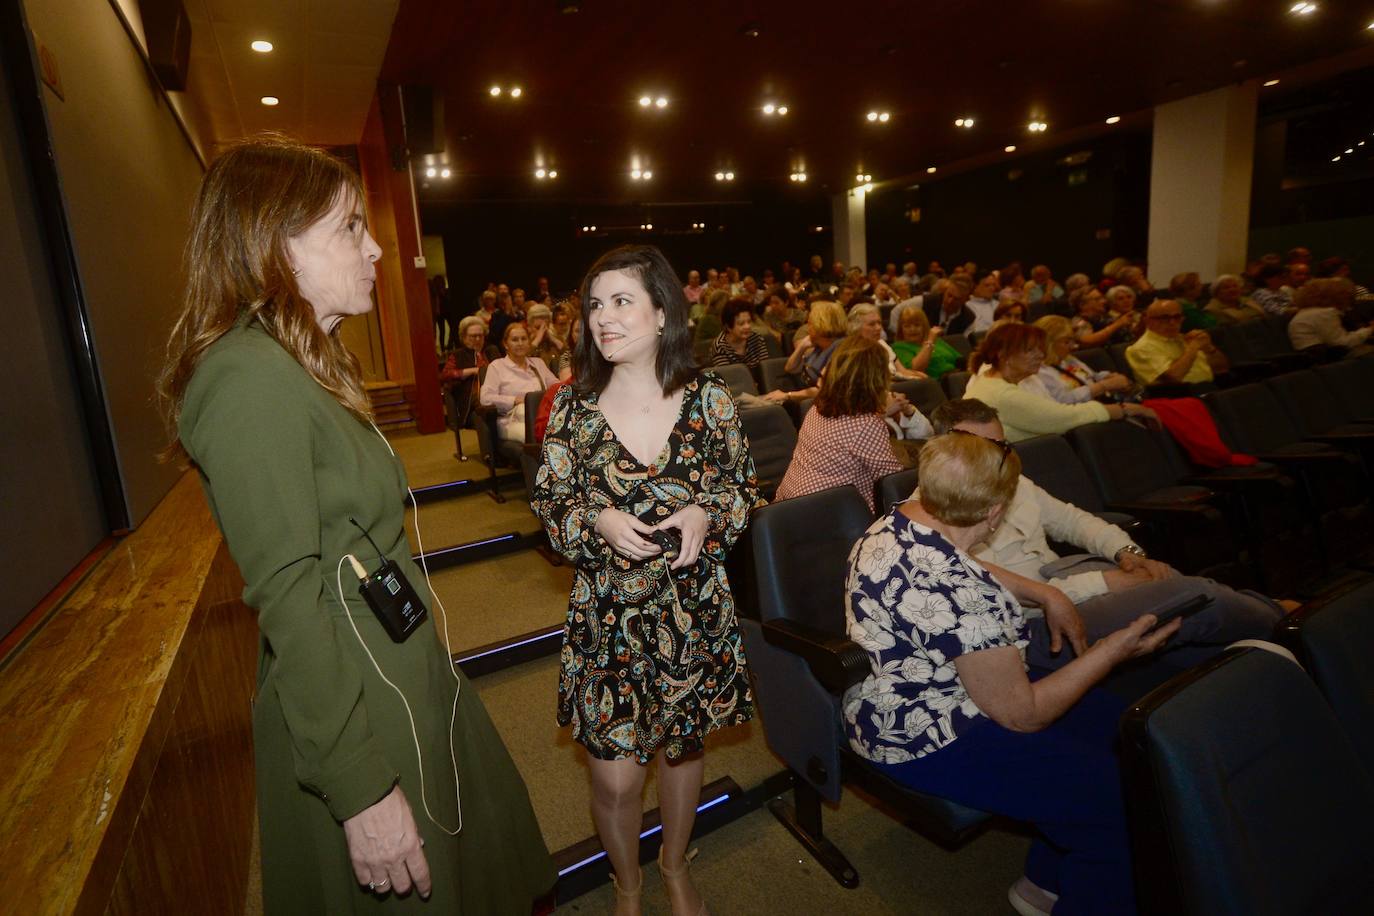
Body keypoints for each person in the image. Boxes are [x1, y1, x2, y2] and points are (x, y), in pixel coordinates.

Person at [158, 137, 553, 912]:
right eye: (348, 228)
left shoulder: (301, 362)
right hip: (354, 690)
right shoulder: (246, 380)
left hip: (391, 658)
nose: (375, 247)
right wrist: (360, 787)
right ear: (275, 244)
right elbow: (290, 600)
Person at [845, 431, 1180, 916]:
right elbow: (1024, 715)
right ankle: (1081, 878)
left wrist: (1048, 593)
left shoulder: (895, 520)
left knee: (1127, 728)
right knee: (1120, 804)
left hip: (893, 700)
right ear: (994, 512)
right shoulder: (969, 601)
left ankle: (1044, 883)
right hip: (927, 737)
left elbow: (957, 563)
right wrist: (1110, 653)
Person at [531, 245, 758, 916]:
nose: (604, 317)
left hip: (693, 615)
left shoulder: (711, 400)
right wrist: (595, 519)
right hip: (607, 621)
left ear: (664, 313)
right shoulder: (572, 408)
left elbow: (743, 490)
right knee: (615, 779)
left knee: (683, 760)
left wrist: (705, 511)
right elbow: (550, 504)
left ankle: (673, 864)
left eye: (622, 301)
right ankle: (626, 882)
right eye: (595, 304)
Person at [930, 399, 1289, 672]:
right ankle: (1285, 622)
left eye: (1001, 444)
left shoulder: (1010, 476)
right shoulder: (941, 509)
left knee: (1170, 582)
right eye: (983, 447)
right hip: (1038, 622)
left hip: (1066, 581)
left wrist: (1125, 552)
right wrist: (1104, 583)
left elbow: (1072, 521)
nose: (997, 456)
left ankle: (1258, 648)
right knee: (1196, 597)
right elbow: (1001, 599)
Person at [775, 337, 931, 507]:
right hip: (826, 518)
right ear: (877, 379)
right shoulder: (866, 425)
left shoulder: (816, 409)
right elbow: (892, 482)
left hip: (787, 507)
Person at [965, 323, 1152, 442]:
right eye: (1031, 350)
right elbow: (1062, 419)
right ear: (1003, 355)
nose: (1041, 355)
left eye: (1040, 349)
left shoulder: (992, 381)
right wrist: (1124, 409)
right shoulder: (1002, 394)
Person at [1027, 316, 1134, 404]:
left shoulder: (1067, 358)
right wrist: (1104, 386)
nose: (1073, 346)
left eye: (1072, 341)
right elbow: (1063, 400)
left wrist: (1108, 377)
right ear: (1048, 343)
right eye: (1066, 342)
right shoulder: (1039, 371)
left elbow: (1092, 376)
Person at [480, 322, 558, 442]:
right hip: (511, 420)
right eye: (515, 340)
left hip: (542, 414)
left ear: (528, 342)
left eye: (524, 339)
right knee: (538, 435)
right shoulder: (497, 366)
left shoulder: (537, 363)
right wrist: (515, 400)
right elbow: (485, 398)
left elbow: (556, 385)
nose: (520, 343)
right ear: (506, 344)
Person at [1125, 300, 1230, 388]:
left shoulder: (1186, 338)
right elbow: (1173, 379)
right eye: (1164, 318)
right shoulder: (1140, 348)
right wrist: (1193, 348)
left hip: (1212, 388)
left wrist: (1209, 348)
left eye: (1177, 317)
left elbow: (1222, 368)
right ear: (1148, 321)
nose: (1172, 322)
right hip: (1180, 398)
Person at [763, 299, 847, 405]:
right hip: (808, 399)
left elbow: (822, 391)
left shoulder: (841, 350)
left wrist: (787, 395)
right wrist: (802, 346)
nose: (807, 328)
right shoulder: (819, 346)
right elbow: (791, 369)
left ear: (819, 325)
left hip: (824, 404)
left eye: (809, 323)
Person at [440, 315, 502, 432]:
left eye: (480, 335)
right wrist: (472, 371)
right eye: (473, 336)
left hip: (497, 393)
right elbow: (445, 375)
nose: (478, 339)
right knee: (486, 412)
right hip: (471, 403)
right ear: (464, 337)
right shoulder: (458, 355)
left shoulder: (491, 351)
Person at [1287, 277, 1374, 355]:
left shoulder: (1308, 312)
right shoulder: (1324, 313)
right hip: (1324, 361)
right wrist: (1370, 329)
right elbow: (1343, 343)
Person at [891, 306, 962, 380]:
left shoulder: (936, 340)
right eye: (907, 326)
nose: (912, 329)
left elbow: (959, 359)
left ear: (924, 327)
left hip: (957, 375)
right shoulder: (899, 347)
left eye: (917, 325)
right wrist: (930, 342)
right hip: (937, 383)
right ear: (901, 329)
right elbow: (916, 369)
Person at [711, 297, 771, 367]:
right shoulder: (720, 346)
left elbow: (766, 369)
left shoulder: (757, 339)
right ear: (728, 327)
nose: (747, 326)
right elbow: (726, 375)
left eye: (749, 322)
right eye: (741, 323)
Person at [1069, 286, 1136, 347]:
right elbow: (1087, 341)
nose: (1104, 301)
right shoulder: (1080, 321)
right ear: (1082, 305)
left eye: (1102, 298)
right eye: (1097, 299)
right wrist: (1118, 324)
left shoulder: (1105, 316)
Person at [526, 302, 565, 367]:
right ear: (530, 327)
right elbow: (524, 358)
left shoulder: (558, 340)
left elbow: (566, 355)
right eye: (538, 328)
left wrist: (553, 339)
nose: (542, 331)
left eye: (545, 327)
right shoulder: (525, 342)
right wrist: (537, 340)